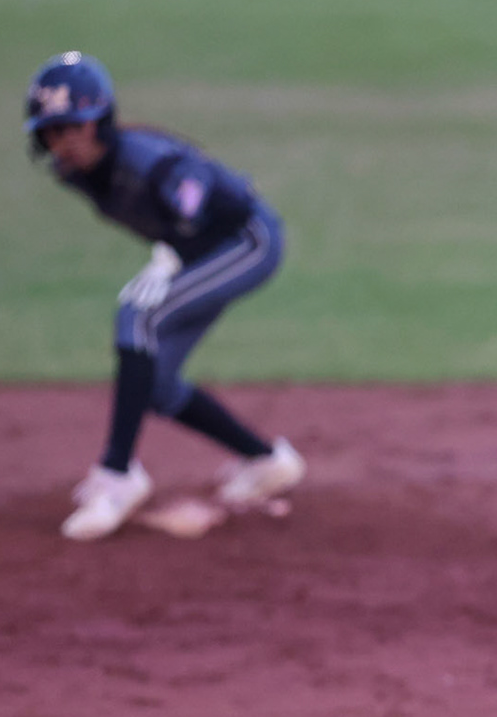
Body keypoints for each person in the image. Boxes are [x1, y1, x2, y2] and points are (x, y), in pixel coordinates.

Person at [23, 52, 305, 541]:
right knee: (154, 382)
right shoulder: (76, 174)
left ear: (99, 122)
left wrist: (169, 256)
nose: (62, 141)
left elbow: (203, 198)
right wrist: (174, 252)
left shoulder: (149, 162)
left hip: (248, 242)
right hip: (202, 254)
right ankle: (267, 461)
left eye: (72, 127)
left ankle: (117, 475)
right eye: (51, 131)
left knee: (137, 316)